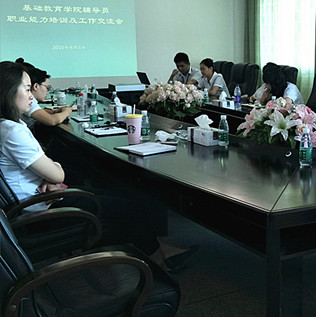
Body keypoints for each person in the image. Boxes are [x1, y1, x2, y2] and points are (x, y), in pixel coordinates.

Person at [0, 61, 195, 271]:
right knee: (132, 207)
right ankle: (160, 261)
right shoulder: (13, 132)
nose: (31, 95)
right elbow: (57, 174)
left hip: (36, 201)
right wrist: (53, 174)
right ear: (9, 92)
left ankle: (156, 250)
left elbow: (48, 170)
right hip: (41, 210)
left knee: (122, 197)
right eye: (26, 89)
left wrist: (50, 175)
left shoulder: (8, 126)